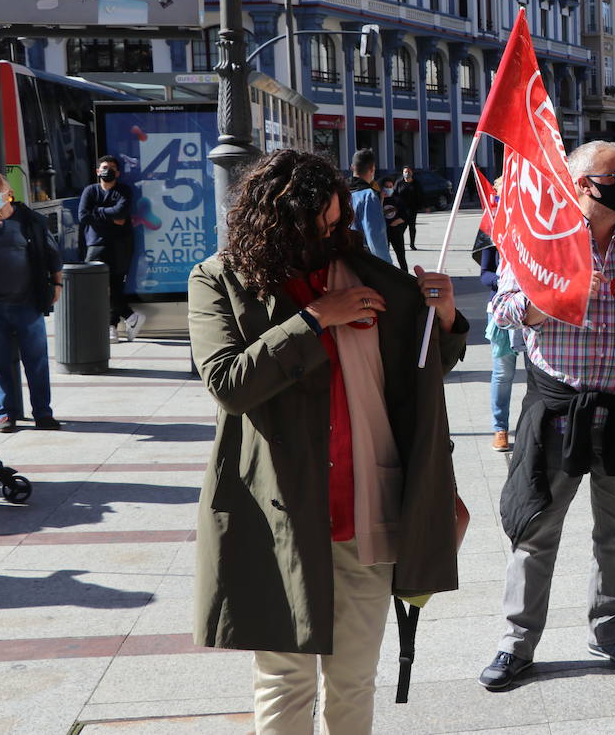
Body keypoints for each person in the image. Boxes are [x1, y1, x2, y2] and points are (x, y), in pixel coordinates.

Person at [188, 150, 468, 734]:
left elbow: (420, 372)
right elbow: (228, 383)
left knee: (353, 679)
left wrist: (443, 318)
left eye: (337, 223)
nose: (331, 237)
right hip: (279, 514)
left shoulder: (369, 275)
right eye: (315, 227)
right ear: (273, 221)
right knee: (285, 681)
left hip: (367, 511)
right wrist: (315, 319)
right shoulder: (219, 278)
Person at [479, 140, 615, 691]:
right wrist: (551, 297)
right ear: (579, 185)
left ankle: (610, 626)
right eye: (614, 175)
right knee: (535, 530)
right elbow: (500, 313)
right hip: (557, 410)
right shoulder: (539, 243)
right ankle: (516, 641)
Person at [0, 170, 62, 433]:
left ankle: (43, 413)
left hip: (28, 303)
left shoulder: (31, 221)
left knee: (36, 361)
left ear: (8, 195)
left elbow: (52, 254)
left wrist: (57, 283)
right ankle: (5, 413)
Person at [79, 154, 142, 342]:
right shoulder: (90, 191)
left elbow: (122, 213)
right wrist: (112, 218)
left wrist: (96, 211)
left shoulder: (124, 190)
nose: (108, 171)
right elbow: (83, 216)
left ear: (118, 172)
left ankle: (111, 327)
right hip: (95, 244)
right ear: (97, 171)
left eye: (112, 168)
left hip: (120, 246)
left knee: (115, 286)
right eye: (104, 167)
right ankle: (131, 316)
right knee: (97, 286)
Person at [478, 178, 520, 453]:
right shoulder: (491, 226)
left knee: (541, 374)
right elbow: (484, 275)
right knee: (503, 373)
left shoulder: (536, 223)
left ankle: (536, 425)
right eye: (504, 189)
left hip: (535, 311)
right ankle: (499, 427)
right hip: (503, 311)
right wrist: (507, 281)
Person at [347, 149, 391, 265]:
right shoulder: (368, 196)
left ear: (352, 167)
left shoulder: (341, 194)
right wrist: (387, 267)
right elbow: (375, 237)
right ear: (372, 169)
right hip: (364, 261)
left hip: (344, 260)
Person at [379, 176, 410, 272]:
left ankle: (405, 274)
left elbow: (405, 216)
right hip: (384, 232)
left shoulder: (397, 199)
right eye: (386, 186)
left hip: (396, 231)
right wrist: (381, 199)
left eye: (390, 186)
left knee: (401, 255)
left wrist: (395, 223)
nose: (388, 189)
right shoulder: (378, 199)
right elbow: (377, 214)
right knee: (384, 256)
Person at [394, 166, 424, 250]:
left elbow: (421, 195)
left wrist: (421, 206)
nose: (407, 173)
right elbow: (394, 194)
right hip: (401, 209)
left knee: (412, 227)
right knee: (401, 227)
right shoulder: (399, 182)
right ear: (403, 173)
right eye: (405, 172)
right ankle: (399, 244)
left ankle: (412, 244)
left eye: (408, 171)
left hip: (412, 209)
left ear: (412, 173)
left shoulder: (416, 183)